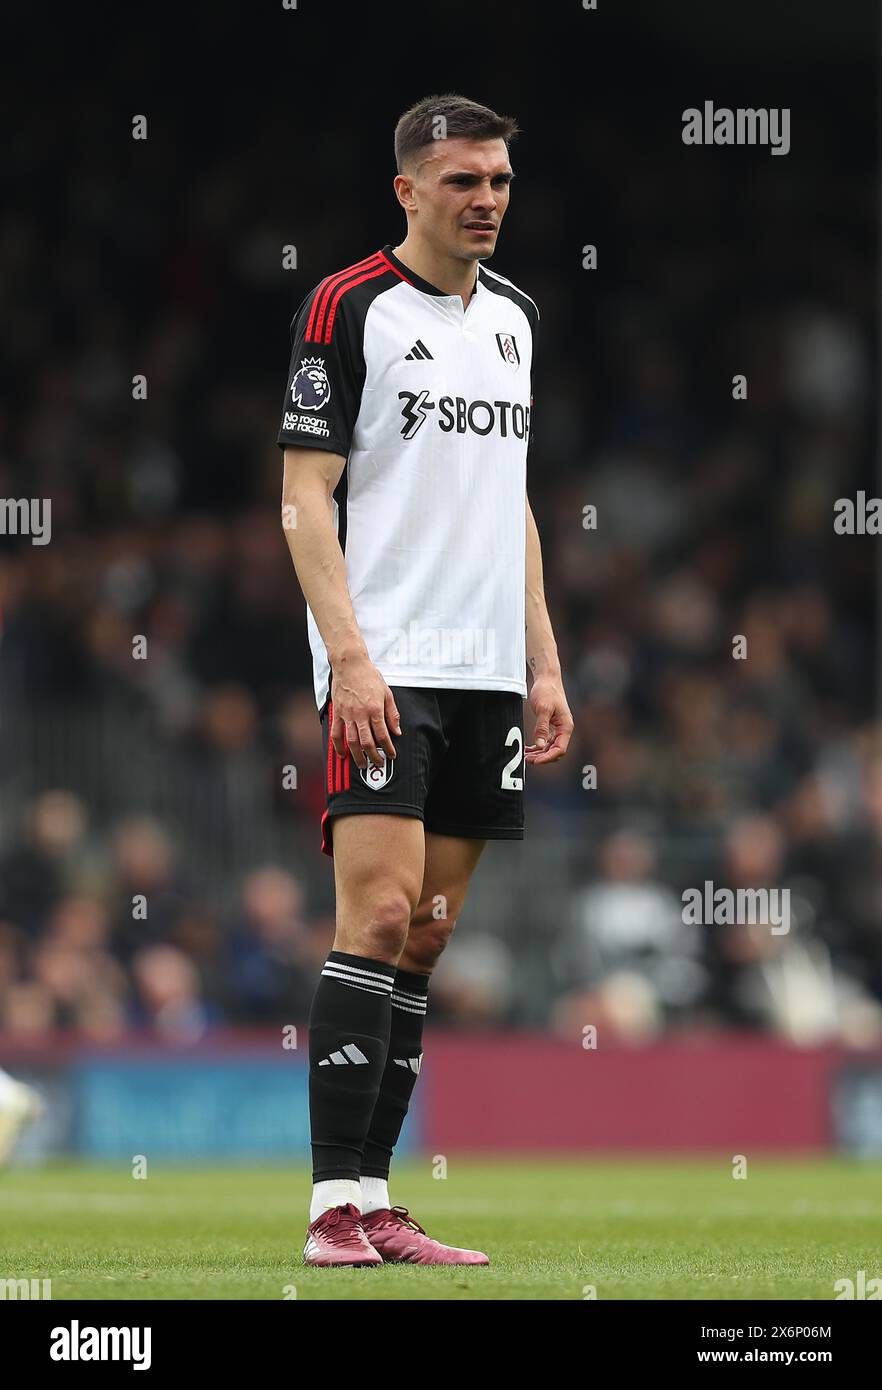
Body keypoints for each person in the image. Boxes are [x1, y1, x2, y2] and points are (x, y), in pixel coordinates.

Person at [278, 92, 573, 1266]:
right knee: (381, 911)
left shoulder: (518, 319)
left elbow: (512, 504)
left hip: (487, 668)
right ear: (409, 189)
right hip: (386, 662)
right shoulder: (346, 306)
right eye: (463, 181)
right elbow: (305, 497)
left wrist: (544, 659)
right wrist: (347, 655)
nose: (487, 200)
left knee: (428, 938)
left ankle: (376, 1196)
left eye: (499, 180)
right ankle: (325, 1211)